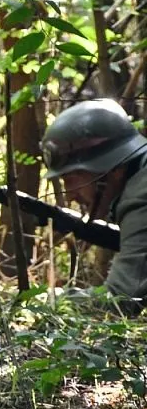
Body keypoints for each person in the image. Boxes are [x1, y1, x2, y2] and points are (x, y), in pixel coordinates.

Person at [42, 99, 147, 311]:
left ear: (112, 169)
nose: (70, 195)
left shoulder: (141, 196)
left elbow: (122, 297)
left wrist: (47, 301)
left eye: (72, 179)